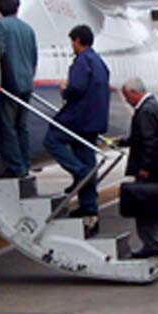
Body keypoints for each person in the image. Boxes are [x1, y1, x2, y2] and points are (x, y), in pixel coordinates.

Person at [43, 25, 110, 234]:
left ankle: (80, 174)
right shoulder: (100, 62)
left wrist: (65, 90)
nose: (71, 45)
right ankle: (90, 211)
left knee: (52, 140)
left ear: (78, 41)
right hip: (94, 121)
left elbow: (78, 87)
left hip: (79, 118)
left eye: (72, 41)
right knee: (87, 158)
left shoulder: (82, 62)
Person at [119, 77, 158, 258]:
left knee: (144, 209)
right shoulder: (154, 106)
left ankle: (152, 244)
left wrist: (143, 167)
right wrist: (123, 141)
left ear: (135, 93)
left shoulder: (145, 111)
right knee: (156, 206)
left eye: (127, 96)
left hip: (150, 169)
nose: (126, 100)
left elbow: (148, 141)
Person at [0, 0, 38, 177]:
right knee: (22, 126)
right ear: (17, 8)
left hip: (10, 84)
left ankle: (14, 167)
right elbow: (34, 58)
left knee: (7, 127)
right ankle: (26, 163)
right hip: (27, 83)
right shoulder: (28, 29)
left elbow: (0, 53)